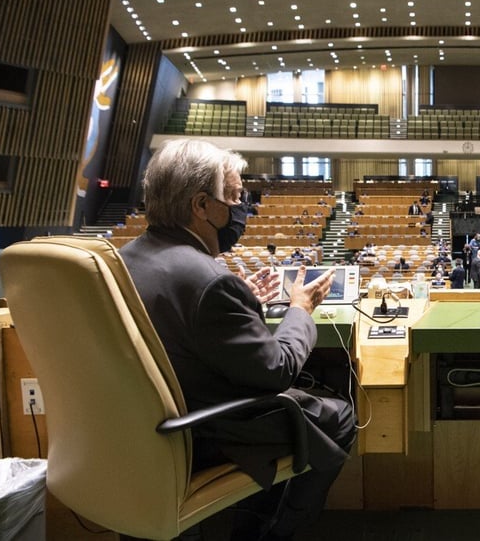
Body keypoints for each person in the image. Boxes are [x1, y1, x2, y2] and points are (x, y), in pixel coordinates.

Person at [119, 139, 354, 541]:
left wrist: (242, 301)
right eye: (233, 196)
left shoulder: (124, 259)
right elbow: (277, 370)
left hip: (143, 426)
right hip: (210, 429)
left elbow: (183, 327)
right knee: (340, 417)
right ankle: (266, 534)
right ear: (200, 205)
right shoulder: (207, 279)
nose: (242, 208)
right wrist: (299, 309)